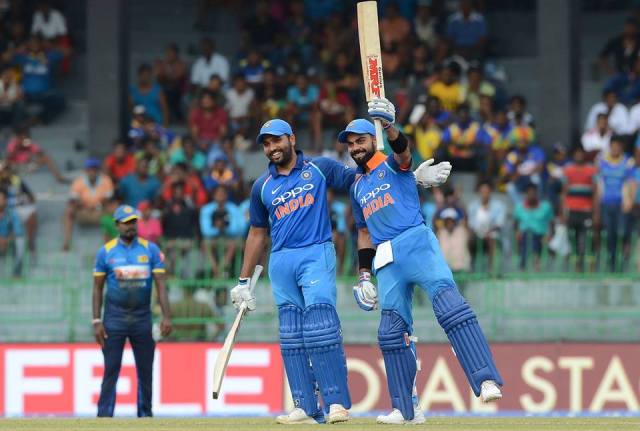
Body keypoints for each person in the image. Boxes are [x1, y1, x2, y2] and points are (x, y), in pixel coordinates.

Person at [341, 98, 501, 425]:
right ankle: (406, 409)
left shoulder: (392, 163)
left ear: (373, 140)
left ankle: (485, 379)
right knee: (390, 332)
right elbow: (364, 233)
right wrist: (363, 275)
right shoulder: (356, 187)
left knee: (450, 308)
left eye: (361, 140)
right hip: (386, 258)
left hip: (417, 243)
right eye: (351, 144)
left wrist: (389, 127)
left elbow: (403, 152)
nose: (355, 148)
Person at [230, 119, 355, 425]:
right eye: (266, 143)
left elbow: (359, 177)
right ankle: (305, 406)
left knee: (321, 326)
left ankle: (336, 402)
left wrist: (401, 171)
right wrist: (243, 281)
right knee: (291, 335)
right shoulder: (262, 186)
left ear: (292, 139)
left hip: (316, 252)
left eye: (276, 140)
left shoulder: (319, 168)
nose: (272, 148)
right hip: (281, 259)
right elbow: (257, 233)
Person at [92, 205, 172, 417]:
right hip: (114, 319)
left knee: (145, 371)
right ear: (117, 225)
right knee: (111, 370)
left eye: (133, 222)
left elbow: (161, 284)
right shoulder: (105, 252)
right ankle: (104, 416)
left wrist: (166, 316)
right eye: (126, 223)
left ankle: (145, 415)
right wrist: (96, 321)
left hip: (142, 319)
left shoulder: (150, 250)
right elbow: (97, 288)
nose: (131, 226)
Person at [63, 158, 114, 251]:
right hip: (83, 212)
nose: (92, 172)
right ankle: (66, 243)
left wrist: (97, 206)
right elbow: (73, 200)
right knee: (69, 210)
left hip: (100, 212)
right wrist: (84, 206)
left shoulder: (106, 180)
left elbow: (108, 200)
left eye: (94, 169)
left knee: (114, 209)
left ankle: (113, 244)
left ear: (98, 171)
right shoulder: (78, 181)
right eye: (89, 169)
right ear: (85, 171)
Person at [561, 146, 598, 272]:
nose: (579, 156)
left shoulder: (591, 170)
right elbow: (564, 192)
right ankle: (576, 265)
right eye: (577, 153)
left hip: (586, 210)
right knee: (573, 238)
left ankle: (591, 264)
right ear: (573, 155)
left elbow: (595, 192)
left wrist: (596, 212)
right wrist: (563, 211)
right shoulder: (568, 170)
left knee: (588, 238)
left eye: (581, 153)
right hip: (572, 210)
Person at [513, 183, 554, 270]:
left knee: (534, 238)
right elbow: (515, 223)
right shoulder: (519, 207)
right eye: (529, 193)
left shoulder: (545, 207)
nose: (531, 195)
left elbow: (551, 222)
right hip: (524, 235)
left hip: (541, 236)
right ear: (526, 194)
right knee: (526, 236)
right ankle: (527, 262)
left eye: (533, 193)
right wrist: (516, 232)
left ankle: (533, 260)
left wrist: (549, 234)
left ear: (537, 193)